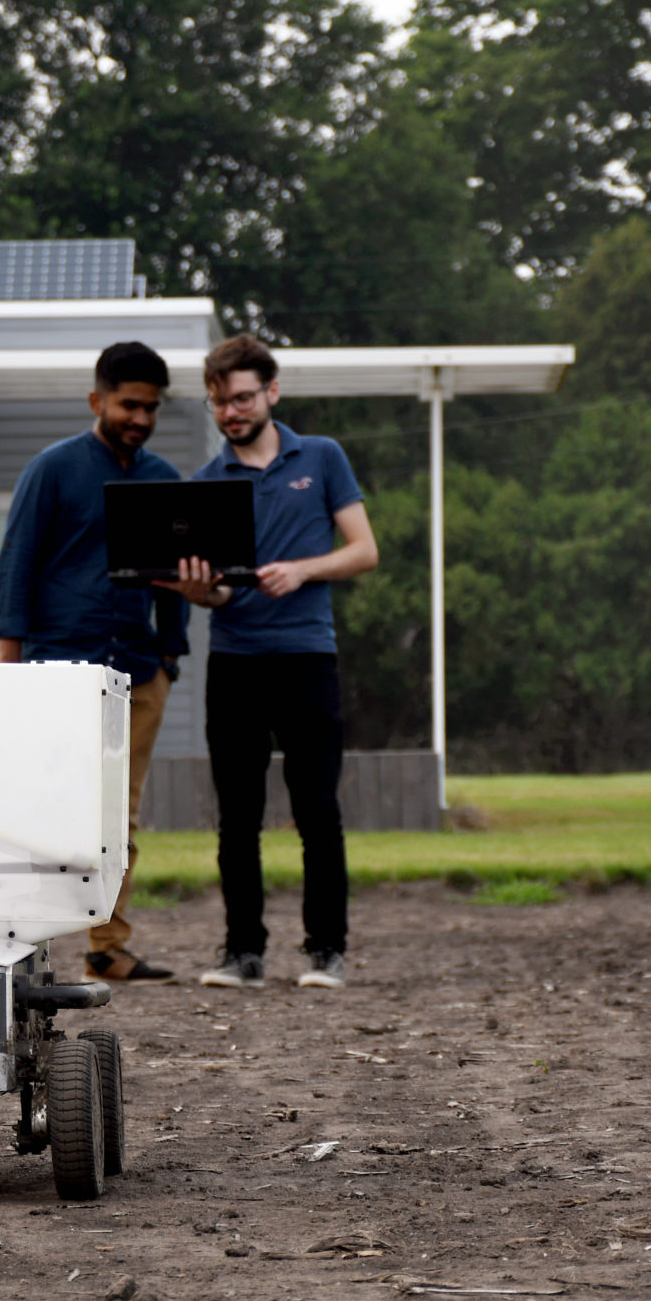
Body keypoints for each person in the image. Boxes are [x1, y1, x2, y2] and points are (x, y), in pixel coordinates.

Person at [176, 334, 377, 990]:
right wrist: (196, 589)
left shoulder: (320, 458)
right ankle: (243, 953)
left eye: (241, 398)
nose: (230, 412)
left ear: (271, 392)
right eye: (219, 403)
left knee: (316, 807)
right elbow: (222, 590)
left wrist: (302, 569)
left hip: (307, 659)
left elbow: (363, 550)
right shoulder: (206, 484)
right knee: (237, 815)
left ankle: (327, 951)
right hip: (235, 663)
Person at [0, 341, 191, 984]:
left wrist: (170, 653)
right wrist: (9, 664)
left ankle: (109, 946)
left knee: (120, 817)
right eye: (129, 404)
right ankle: (24, 944)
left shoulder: (164, 480)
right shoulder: (52, 469)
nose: (140, 417)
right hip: (58, 671)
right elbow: (17, 561)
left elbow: (174, 578)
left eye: (151, 408)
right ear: (97, 400)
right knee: (43, 808)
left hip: (139, 669)